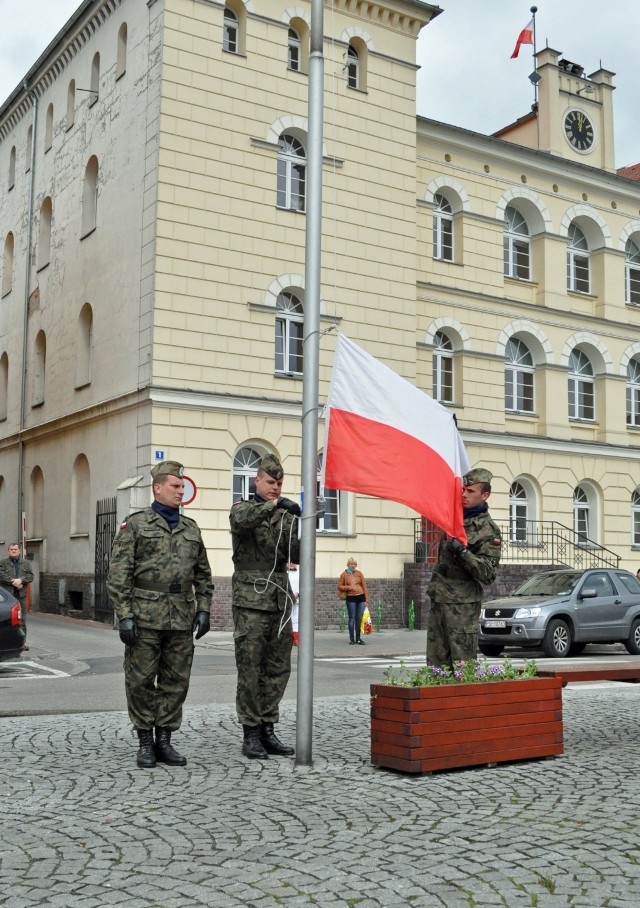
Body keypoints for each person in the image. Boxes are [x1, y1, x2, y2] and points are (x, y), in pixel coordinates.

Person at [107, 460, 214, 769]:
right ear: (158, 488)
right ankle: (145, 742)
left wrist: (204, 608)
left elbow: (203, 574)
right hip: (144, 616)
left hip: (181, 617)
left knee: (175, 681)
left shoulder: (190, 528)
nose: (181, 491)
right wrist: (125, 615)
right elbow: (118, 575)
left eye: (182, 487)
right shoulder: (136, 525)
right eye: (176, 486)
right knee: (140, 680)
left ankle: (164, 740)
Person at [229, 453, 300, 760]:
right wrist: (273, 506)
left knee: (277, 669)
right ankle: (251, 734)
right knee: (250, 670)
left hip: (279, 601)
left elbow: (293, 552)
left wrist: (305, 522)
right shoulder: (242, 507)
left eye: (279, 483)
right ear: (256, 480)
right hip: (250, 603)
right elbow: (244, 521)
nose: (275, 487)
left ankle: (268, 728)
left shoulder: (285, 517)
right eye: (270, 482)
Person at [426, 467, 502, 669]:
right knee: (436, 664)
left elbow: (488, 574)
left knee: (463, 664)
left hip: (463, 604)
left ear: (485, 495)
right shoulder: (454, 518)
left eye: (471, 491)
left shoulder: (488, 530)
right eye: (463, 490)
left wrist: (462, 552)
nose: (464, 495)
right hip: (440, 595)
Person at [0, 542, 34, 650]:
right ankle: (9, 642)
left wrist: (21, 580)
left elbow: (30, 576)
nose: (14, 551)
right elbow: (1, 575)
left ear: (19, 551)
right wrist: (14, 582)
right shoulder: (2, 563)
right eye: (11, 549)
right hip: (8, 597)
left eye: (15, 549)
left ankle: (22, 643)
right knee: (9, 621)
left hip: (21, 596)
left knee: (22, 620)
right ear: (8, 551)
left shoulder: (26, 563)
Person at [337, 557, 369, 646]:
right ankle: (352, 639)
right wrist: (349, 587)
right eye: (351, 564)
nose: (353, 566)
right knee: (352, 619)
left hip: (361, 597)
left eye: (354, 564)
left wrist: (367, 599)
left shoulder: (359, 573)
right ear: (348, 564)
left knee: (359, 619)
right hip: (351, 598)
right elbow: (339, 586)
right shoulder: (344, 574)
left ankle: (358, 639)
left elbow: (364, 586)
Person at [288, 563, 299, 646]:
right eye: (290, 562)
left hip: (297, 599)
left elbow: (302, 584)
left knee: (296, 618)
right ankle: (289, 638)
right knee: (288, 618)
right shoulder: (285, 574)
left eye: (293, 562)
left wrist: (297, 593)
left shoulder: (300, 574)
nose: (291, 564)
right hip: (287, 599)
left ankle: (296, 638)